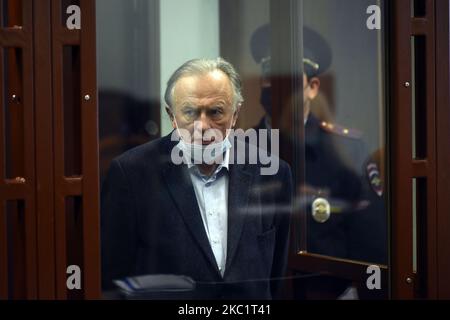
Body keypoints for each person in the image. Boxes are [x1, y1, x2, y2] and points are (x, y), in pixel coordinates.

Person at [101, 58, 293, 300]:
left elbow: (276, 275)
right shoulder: (131, 174)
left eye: (216, 112)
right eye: (190, 112)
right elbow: (114, 278)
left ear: (235, 115)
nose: (203, 126)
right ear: (172, 116)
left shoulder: (272, 173)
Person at [250, 24, 387, 298]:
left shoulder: (347, 149)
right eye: (269, 75)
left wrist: (356, 291)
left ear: (312, 87)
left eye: (288, 77)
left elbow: (370, 241)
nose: (276, 85)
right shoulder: (240, 149)